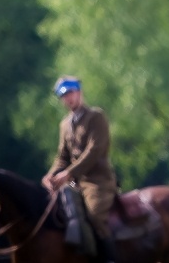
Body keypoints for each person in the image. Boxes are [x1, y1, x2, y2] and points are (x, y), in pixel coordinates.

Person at [42, 76, 118, 263]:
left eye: (71, 93)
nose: (68, 98)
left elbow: (95, 150)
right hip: (74, 183)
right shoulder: (65, 124)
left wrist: (69, 173)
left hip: (97, 182)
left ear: (79, 92)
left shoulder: (96, 116)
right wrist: (50, 175)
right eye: (64, 95)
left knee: (94, 216)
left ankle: (110, 259)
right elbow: (62, 156)